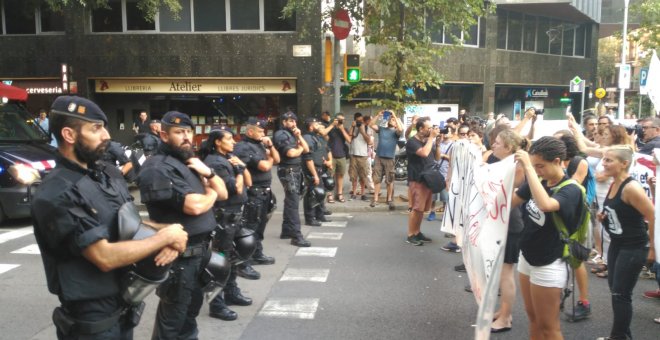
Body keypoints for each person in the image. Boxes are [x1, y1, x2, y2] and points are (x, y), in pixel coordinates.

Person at [31, 96, 188, 339]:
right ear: (69, 135)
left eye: (104, 126)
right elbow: (103, 256)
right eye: (96, 128)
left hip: (124, 305)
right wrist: (164, 237)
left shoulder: (107, 174)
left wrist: (170, 234)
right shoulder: (56, 192)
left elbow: (130, 223)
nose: (106, 135)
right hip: (92, 320)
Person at [138, 111, 228, 339]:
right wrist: (210, 192)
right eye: (179, 132)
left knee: (189, 317)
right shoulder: (157, 167)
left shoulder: (190, 163)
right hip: (179, 258)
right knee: (172, 323)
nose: (187, 137)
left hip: (200, 253)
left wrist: (208, 172)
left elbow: (224, 192)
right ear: (164, 135)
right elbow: (194, 206)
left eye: (189, 131)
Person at [512, 136, 585, 340]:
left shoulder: (571, 189)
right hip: (527, 257)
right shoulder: (539, 182)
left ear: (557, 161)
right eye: (534, 166)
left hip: (549, 262)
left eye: (540, 166)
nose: (537, 171)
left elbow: (545, 205)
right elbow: (509, 202)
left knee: (549, 327)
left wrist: (528, 167)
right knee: (533, 318)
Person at [596, 145, 655, 340]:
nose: (603, 163)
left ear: (624, 164)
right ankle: (623, 335)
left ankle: (619, 337)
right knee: (615, 289)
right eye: (603, 159)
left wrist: (653, 249)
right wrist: (604, 215)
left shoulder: (631, 188)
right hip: (617, 244)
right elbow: (619, 211)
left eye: (608, 160)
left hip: (634, 247)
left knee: (621, 294)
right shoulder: (614, 183)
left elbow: (653, 216)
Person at [200, 127, 256, 322]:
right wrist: (239, 170)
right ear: (217, 142)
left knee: (232, 258)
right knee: (219, 261)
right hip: (223, 218)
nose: (234, 142)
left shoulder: (230, 158)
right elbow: (235, 188)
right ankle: (216, 304)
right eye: (229, 139)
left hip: (235, 215)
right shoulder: (215, 162)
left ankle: (232, 293)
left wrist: (242, 167)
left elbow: (248, 182)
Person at [234, 117, 279, 265]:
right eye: (260, 131)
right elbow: (265, 167)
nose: (263, 134)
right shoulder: (243, 147)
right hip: (254, 192)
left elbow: (277, 159)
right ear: (250, 131)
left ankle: (257, 253)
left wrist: (271, 147)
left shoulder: (260, 144)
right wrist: (270, 158)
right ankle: (244, 261)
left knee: (260, 226)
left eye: (263, 131)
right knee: (250, 227)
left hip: (265, 191)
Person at [273, 111, 312, 247]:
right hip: (287, 170)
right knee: (293, 202)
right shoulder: (280, 134)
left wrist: (299, 137)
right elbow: (290, 153)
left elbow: (306, 149)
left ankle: (287, 230)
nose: (293, 123)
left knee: (291, 200)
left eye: (294, 121)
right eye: (290, 121)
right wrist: (299, 148)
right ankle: (296, 235)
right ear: (284, 122)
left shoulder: (293, 134)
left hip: (295, 170)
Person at [405, 117, 441, 246]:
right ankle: (410, 234)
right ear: (420, 129)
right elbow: (424, 154)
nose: (431, 130)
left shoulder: (427, 141)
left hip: (428, 179)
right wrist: (431, 138)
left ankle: (417, 232)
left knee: (422, 209)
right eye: (429, 128)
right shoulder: (412, 142)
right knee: (416, 208)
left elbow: (436, 157)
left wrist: (437, 143)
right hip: (417, 179)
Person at [369, 110, 403, 210]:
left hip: (390, 158)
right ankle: (375, 199)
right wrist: (378, 115)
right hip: (379, 157)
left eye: (393, 120)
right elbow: (371, 124)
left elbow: (400, 129)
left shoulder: (396, 132)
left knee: (390, 180)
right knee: (377, 178)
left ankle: (389, 199)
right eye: (390, 119)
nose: (392, 120)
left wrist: (395, 115)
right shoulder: (382, 129)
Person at [302, 117, 333, 226]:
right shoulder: (307, 137)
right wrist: (314, 174)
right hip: (312, 169)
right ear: (311, 126)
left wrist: (326, 162)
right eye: (316, 124)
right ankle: (310, 218)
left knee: (320, 193)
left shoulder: (316, 137)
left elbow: (322, 151)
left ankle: (319, 214)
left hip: (320, 168)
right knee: (312, 194)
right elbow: (308, 157)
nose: (319, 126)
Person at [325, 113, 352, 203]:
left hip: (341, 155)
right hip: (331, 156)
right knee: (330, 176)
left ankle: (339, 193)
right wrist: (332, 125)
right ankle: (330, 194)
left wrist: (342, 129)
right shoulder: (331, 128)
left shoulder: (344, 129)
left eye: (343, 119)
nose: (341, 121)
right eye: (339, 119)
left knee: (340, 175)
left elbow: (349, 140)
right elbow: (324, 137)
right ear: (335, 119)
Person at [349, 112, 370, 201]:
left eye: (361, 120)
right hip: (353, 154)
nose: (360, 123)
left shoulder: (366, 127)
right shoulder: (354, 127)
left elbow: (368, 140)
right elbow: (349, 137)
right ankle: (354, 193)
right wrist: (353, 126)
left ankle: (363, 193)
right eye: (358, 121)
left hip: (363, 155)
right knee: (353, 176)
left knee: (363, 175)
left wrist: (362, 131)